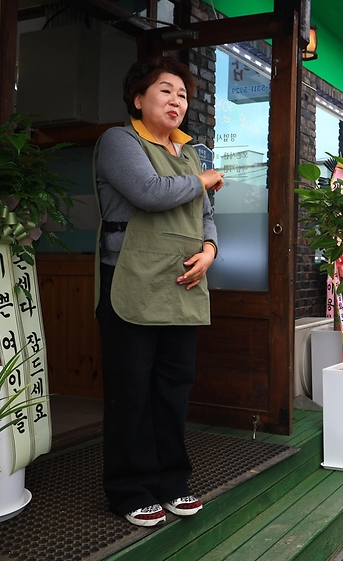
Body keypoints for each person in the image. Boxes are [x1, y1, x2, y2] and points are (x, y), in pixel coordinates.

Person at [94, 56, 225, 527]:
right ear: (138, 98)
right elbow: (150, 192)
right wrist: (205, 179)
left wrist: (210, 249)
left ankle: (172, 482)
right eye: (165, 90)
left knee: (173, 390)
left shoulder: (187, 152)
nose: (177, 101)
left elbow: (205, 214)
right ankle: (130, 490)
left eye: (183, 95)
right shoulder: (119, 140)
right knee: (131, 392)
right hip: (129, 281)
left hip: (182, 283)